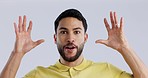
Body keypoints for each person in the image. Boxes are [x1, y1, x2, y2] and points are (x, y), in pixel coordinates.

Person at [0, 9, 148, 78]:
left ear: (85, 37)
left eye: (76, 32)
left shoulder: (106, 71)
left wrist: (124, 48)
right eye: (63, 32)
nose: (70, 38)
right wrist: (17, 54)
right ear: (55, 38)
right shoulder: (39, 74)